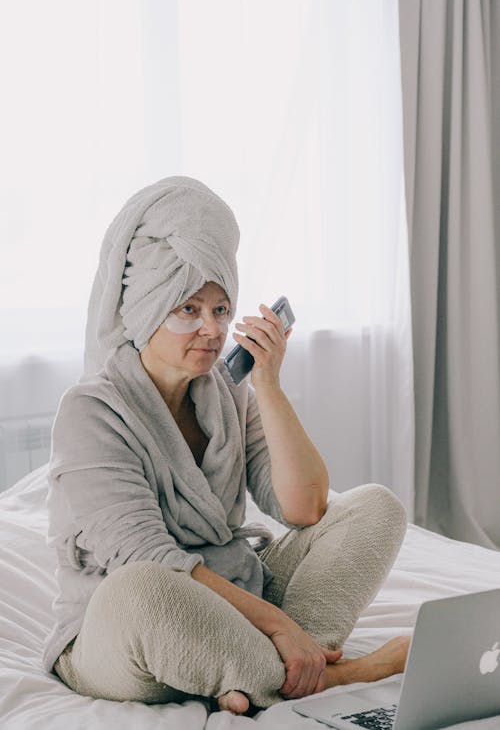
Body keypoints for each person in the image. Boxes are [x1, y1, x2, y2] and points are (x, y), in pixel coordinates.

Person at [43, 175, 409, 715]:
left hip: (236, 603)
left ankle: (261, 667)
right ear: (146, 308)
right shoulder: (91, 410)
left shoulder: (227, 393)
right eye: (188, 309)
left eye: (221, 309)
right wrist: (280, 625)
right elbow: (148, 557)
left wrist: (268, 383)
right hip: (121, 633)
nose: (211, 331)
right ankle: (336, 672)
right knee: (142, 588)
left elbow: (304, 506)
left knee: (376, 506)